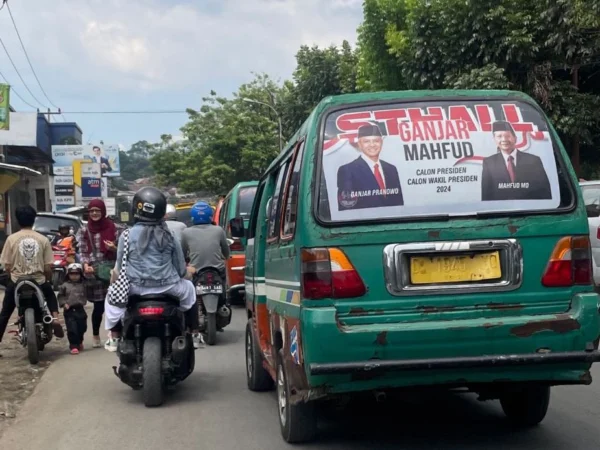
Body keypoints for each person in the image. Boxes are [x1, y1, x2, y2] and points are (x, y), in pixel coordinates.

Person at [104, 187, 202, 351]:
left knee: (112, 298)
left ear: (136, 209)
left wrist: (113, 279)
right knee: (190, 291)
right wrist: (189, 272)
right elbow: (180, 269)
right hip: (168, 287)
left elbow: (119, 268)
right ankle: (194, 333)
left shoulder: (126, 235)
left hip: (134, 288)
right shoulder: (169, 235)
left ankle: (114, 336)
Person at [0, 206, 65, 354]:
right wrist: (47, 279)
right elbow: (48, 266)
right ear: (34, 219)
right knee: (50, 294)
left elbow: (7, 265)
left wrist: (14, 275)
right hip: (38, 281)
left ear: (18, 220)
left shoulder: (11, 239)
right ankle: (55, 318)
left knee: (5, 312)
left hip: (17, 281)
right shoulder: (43, 239)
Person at [76, 199, 118, 348]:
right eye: (92, 211)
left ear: (103, 212)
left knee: (116, 304)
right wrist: (85, 264)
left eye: (97, 211)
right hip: (94, 272)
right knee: (99, 307)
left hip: (112, 272)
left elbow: (123, 249)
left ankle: (116, 334)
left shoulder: (113, 227)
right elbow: (82, 251)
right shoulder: (83, 230)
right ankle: (95, 334)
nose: (94, 213)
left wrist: (114, 248)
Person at [337, 124, 404, 210]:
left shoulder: (391, 169)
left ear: (381, 143)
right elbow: (346, 207)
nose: (372, 145)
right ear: (360, 144)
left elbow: (399, 204)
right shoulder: (347, 170)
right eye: (366, 141)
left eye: (376, 141)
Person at [481, 120, 552, 201]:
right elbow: (486, 196)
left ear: (515, 138)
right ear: (494, 140)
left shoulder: (533, 160)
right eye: (499, 136)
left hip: (529, 210)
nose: (504, 139)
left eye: (508, 136)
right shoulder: (489, 163)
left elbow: (545, 192)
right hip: (501, 211)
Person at [181, 201, 230, 278]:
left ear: (192, 217)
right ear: (210, 216)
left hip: (196, 271)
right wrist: (227, 256)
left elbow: (182, 254)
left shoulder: (186, 232)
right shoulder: (218, 230)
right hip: (218, 270)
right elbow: (226, 251)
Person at [58, 263, 88, 355]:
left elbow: (91, 284)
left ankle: (79, 341)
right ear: (68, 275)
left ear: (80, 274)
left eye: (76, 274)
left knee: (82, 327)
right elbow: (60, 296)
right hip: (69, 310)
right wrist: (63, 303)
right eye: (72, 274)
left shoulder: (84, 284)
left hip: (80, 309)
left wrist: (89, 274)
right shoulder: (64, 285)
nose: (74, 276)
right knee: (72, 328)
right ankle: (74, 346)